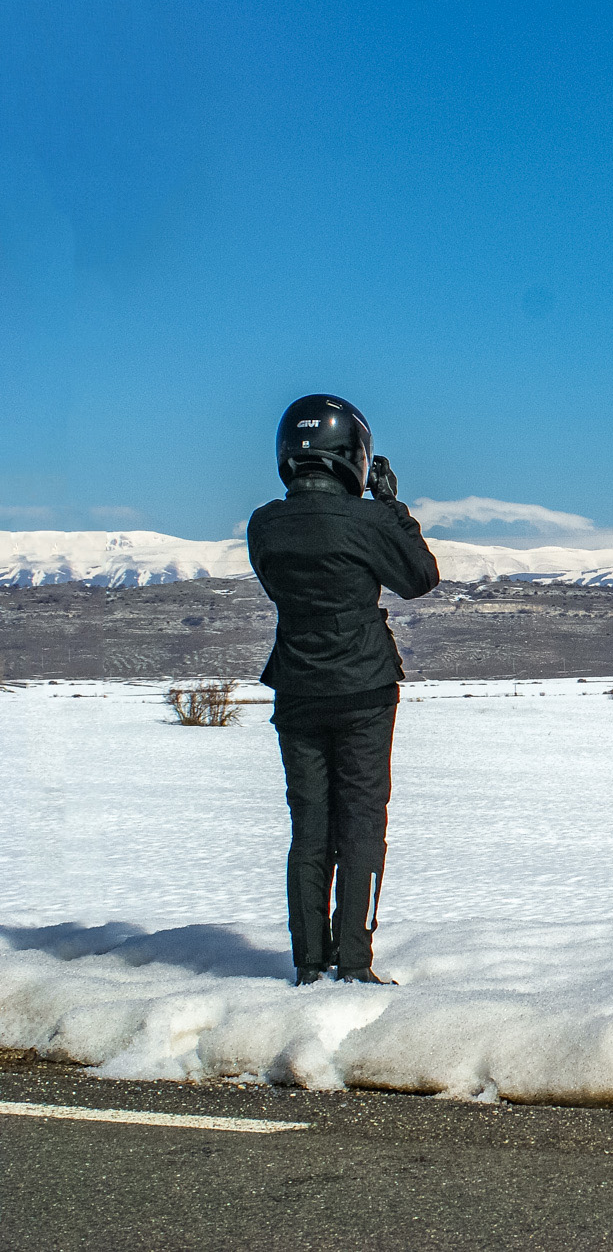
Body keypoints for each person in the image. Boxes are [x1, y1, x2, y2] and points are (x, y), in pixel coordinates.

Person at [247, 395, 440, 985]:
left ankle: (308, 965)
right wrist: (392, 507)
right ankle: (354, 963)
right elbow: (419, 579)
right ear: (353, 455)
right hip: (364, 689)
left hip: (297, 689)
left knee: (309, 829)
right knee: (361, 824)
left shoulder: (264, 524)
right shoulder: (368, 521)